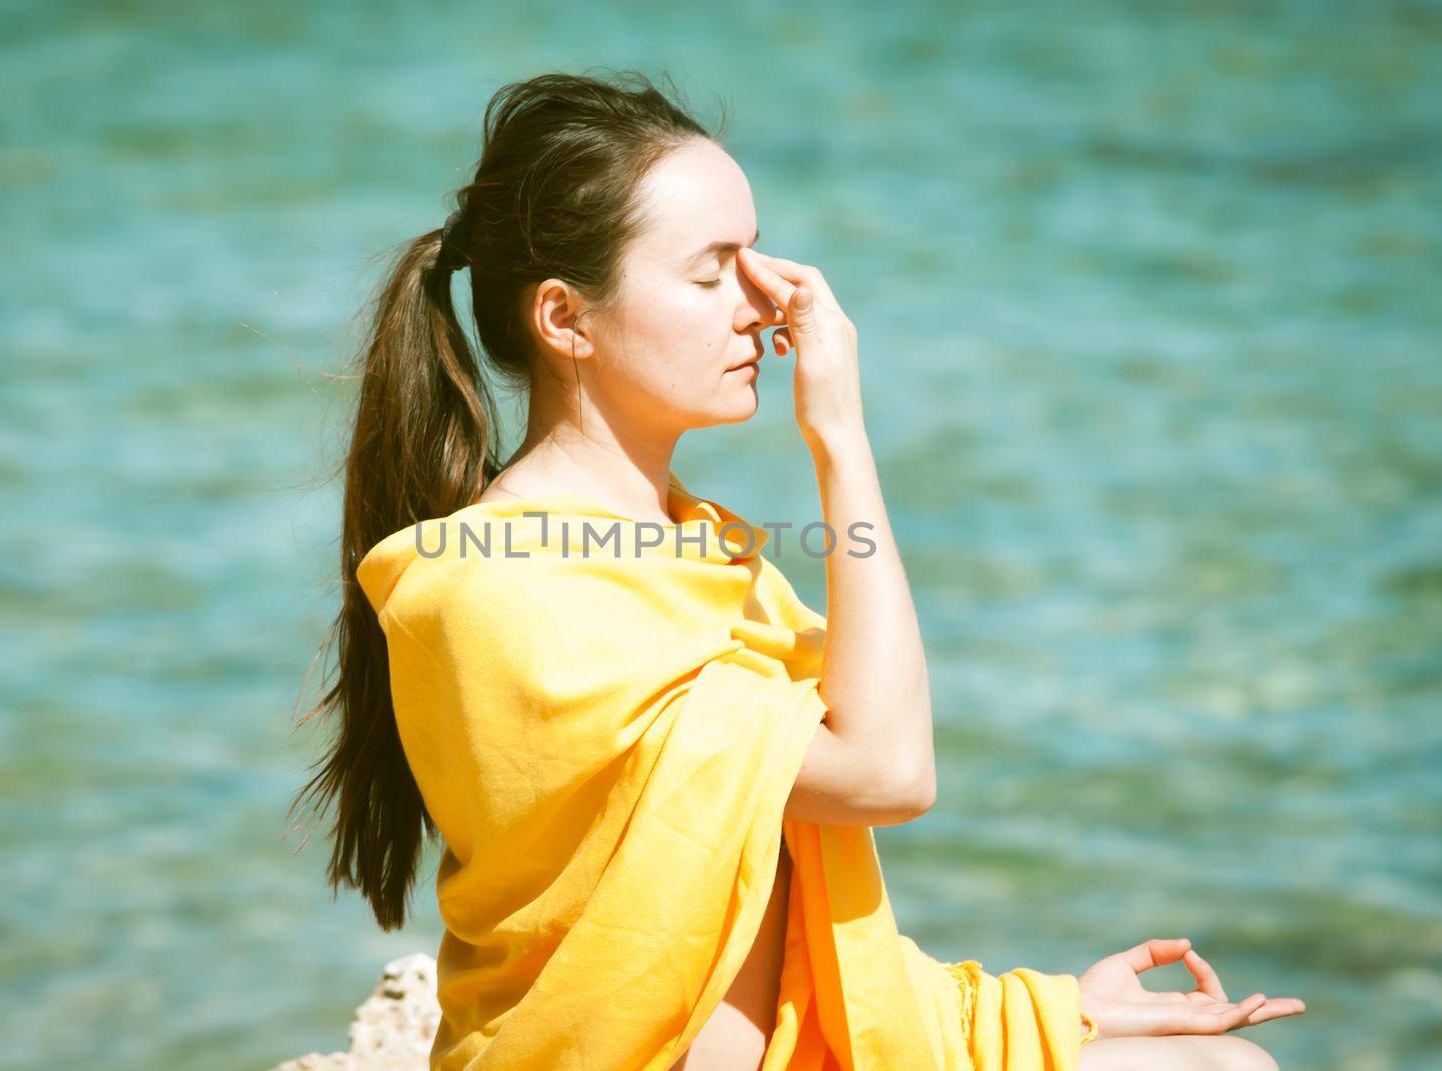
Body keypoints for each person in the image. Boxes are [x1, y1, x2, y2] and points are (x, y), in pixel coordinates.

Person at [292, 69, 1305, 1070]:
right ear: (565, 320)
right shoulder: (498, 588)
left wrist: (1049, 1011)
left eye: (755, 255)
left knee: (1224, 1068)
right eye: (711, 270)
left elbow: (774, 917)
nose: (764, 306)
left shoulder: (698, 550)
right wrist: (840, 441)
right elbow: (886, 771)